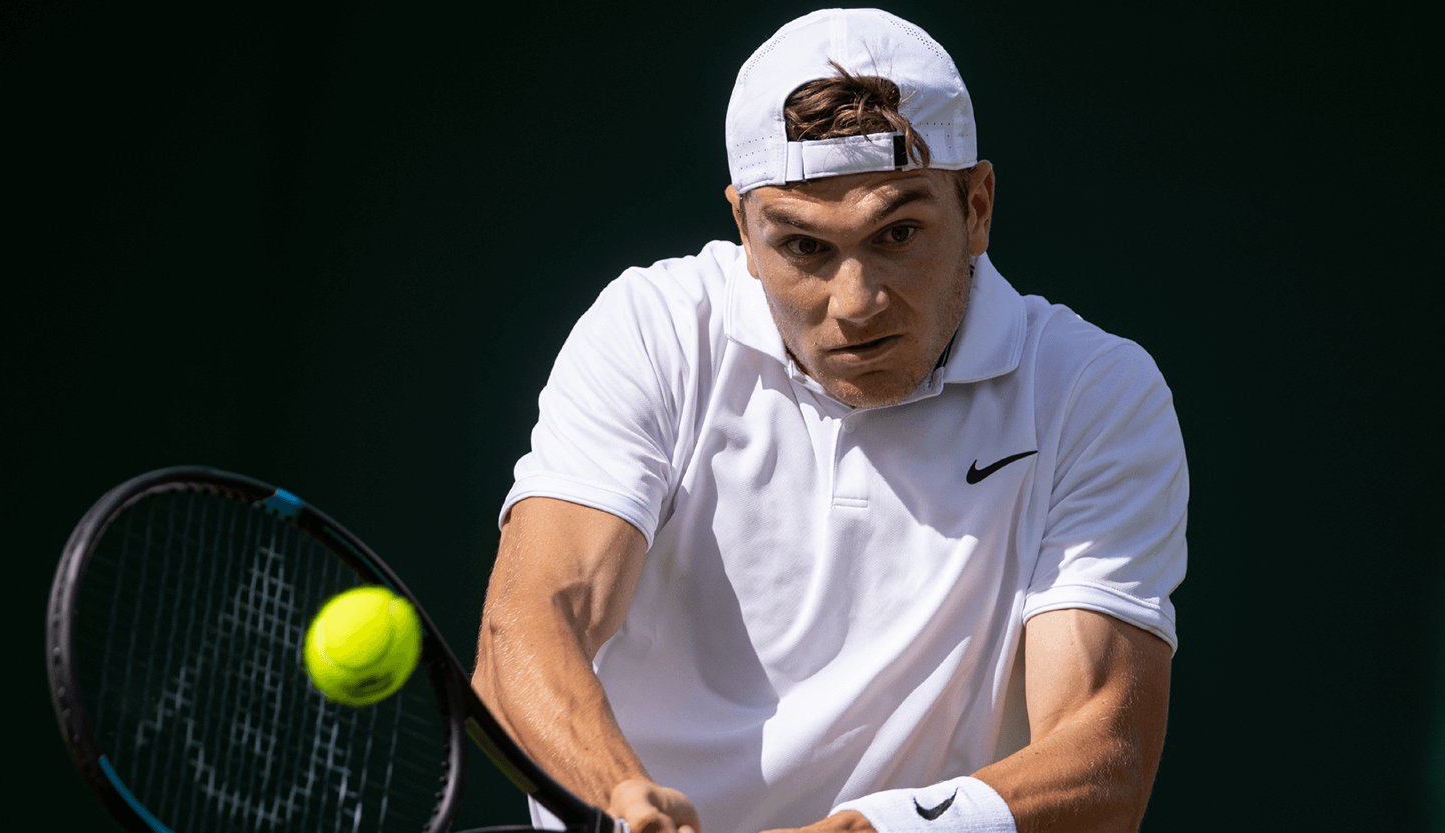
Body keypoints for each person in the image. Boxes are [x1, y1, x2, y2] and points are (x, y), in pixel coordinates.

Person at [472, 9, 1187, 833]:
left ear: (978, 208)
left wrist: (870, 831)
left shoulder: (1091, 389)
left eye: (899, 233)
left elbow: (1099, 756)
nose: (856, 304)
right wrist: (624, 799)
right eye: (805, 249)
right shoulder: (655, 327)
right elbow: (528, 622)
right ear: (743, 228)